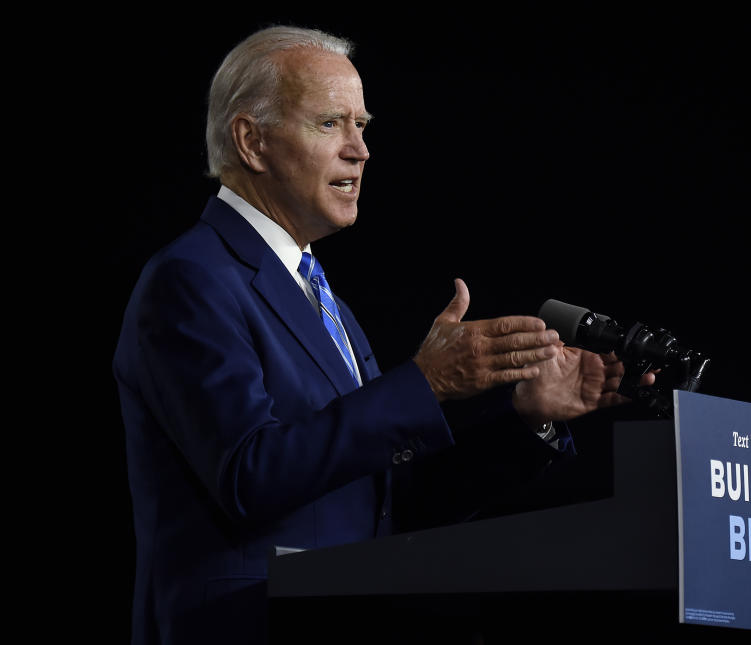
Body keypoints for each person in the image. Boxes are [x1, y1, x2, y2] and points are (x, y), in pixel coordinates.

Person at [114, 25, 652, 644]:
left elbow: (388, 507)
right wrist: (425, 383)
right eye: (330, 124)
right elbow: (249, 478)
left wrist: (527, 419)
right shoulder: (191, 280)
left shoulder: (327, 303)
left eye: (362, 126)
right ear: (251, 141)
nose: (360, 150)